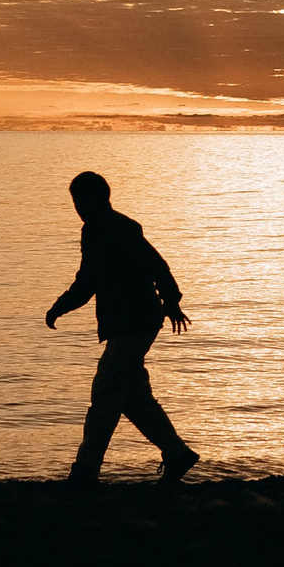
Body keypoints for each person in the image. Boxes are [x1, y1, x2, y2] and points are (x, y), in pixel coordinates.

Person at [45, 170, 200, 485]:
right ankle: (177, 454)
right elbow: (90, 280)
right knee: (132, 397)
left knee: (104, 394)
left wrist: (171, 301)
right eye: (75, 202)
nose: (78, 208)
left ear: (99, 199)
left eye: (81, 201)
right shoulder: (99, 230)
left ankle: (85, 470)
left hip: (135, 323)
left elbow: (155, 266)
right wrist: (61, 306)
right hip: (125, 324)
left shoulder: (118, 228)